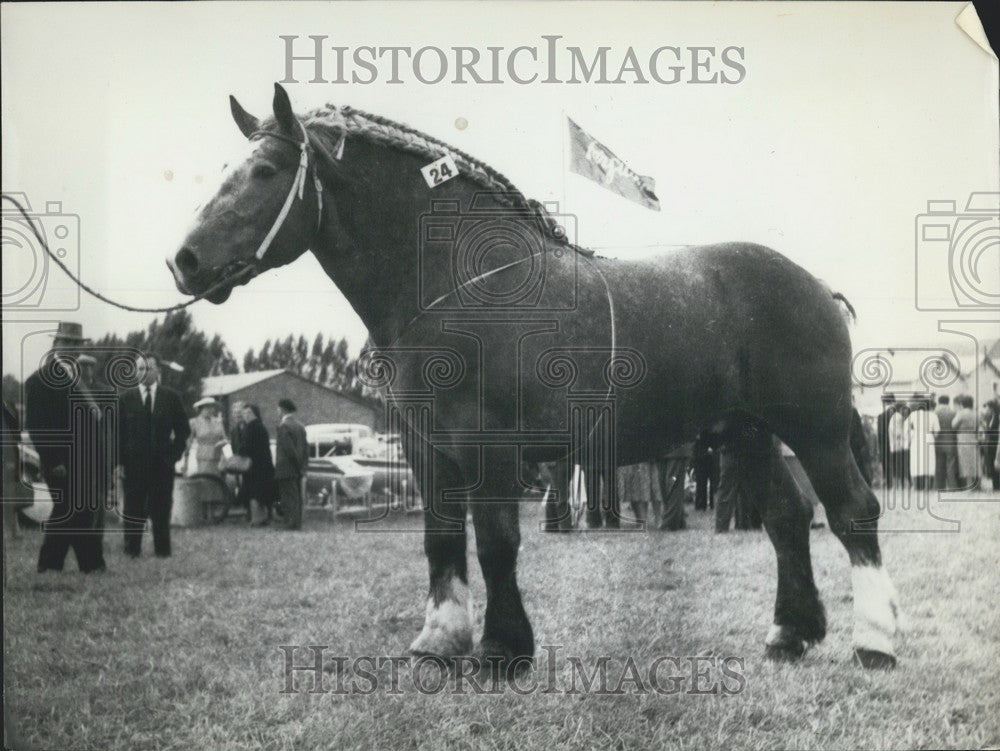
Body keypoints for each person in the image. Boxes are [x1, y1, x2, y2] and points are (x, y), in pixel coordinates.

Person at [23, 322, 107, 573]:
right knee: (69, 510)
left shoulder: (78, 379)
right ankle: (64, 565)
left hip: (84, 460)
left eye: (76, 344)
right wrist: (53, 460)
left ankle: (81, 565)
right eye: (67, 342)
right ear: (55, 344)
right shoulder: (38, 381)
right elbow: (38, 427)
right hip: (60, 462)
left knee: (79, 511)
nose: (72, 348)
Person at [118, 352, 191, 558]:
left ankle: (162, 552)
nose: (144, 372)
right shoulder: (125, 399)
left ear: (158, 370)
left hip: (162, 466)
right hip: (133, 467)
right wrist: (119, 462)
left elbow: (183, 431)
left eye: (148, 368)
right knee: (133, 510)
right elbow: (116, 434)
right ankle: (132, 551)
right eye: (140, 368)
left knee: (161, 510)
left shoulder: (171, 397)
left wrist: (173, 456)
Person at [237, 403, 275, 526]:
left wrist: (239, 451)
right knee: (262, 493)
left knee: (253, 493)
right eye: (244, 413)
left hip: (254, 465)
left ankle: (255, 519)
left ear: (253, 414)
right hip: (265, 464)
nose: (246, 416)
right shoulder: (261, 426)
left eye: (248, 413)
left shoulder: (250, 428)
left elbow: (245, 448)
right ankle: (263, 518)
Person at [274, 398, 308, 530]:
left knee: (288, 496)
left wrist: (296, 462)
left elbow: (288, 449)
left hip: (286, 467)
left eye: (278, 409)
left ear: (282, 410)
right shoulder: (300, 426)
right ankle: (296, 522)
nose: (277, 411)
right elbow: (306, 448)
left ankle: (291, 523)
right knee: (296, 496)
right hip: (298, 467)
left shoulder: (284, 426)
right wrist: (302, 465)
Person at [185, 397, 227, 477]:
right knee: (205, 480)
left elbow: (224, 439)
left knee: (219, 482)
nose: (211, 410)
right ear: (201, 409)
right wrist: (186, 461)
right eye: (207, 407)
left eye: (212, 407)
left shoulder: (218, 422)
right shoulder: (194, 422)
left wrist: (221, 443)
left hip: (219, 457)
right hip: (204, 458)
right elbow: (188, 442)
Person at [904, 399, 939, 491]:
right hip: (928, 438)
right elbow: (937, 431)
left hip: (916, 438)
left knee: (915, 462)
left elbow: (905, 426)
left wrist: (911, 433)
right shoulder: (933, 415)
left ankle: (915, 486)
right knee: (929, 462)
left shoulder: (914, 414)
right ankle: (927, 486)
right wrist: (933, 437)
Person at [952, 395, 979, 489]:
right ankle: (977, 485)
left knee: (965, 462)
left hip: (963, 438)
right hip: (973, 437)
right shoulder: (976, 413)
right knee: (974, 461)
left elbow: (953, 425)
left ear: (962, 404)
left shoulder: (961, 413)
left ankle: (968, 485)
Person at [934, 395, 958, 490]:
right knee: (951, 464)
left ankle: (939, 486)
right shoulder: (953, 412)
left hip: (938, 441)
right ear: (948, 402)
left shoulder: (935, 412)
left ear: (939, 402)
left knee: (939, 464)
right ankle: (952, 486)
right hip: (951, 441)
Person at [981, 399, 1000, 491]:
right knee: (992, 465)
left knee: (995, 464)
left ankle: (997, 485)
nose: (986, 409)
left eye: (988, 407)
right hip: (990, 444)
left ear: (992, 408)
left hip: (995, 444)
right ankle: (995, 485)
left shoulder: (996, 418)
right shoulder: (990, 417)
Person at [876, 400, 896, 489]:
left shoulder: (881, 416)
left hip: (885, 445)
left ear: (884, 403)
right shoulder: (898, 415)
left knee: (886, 464)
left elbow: (879, 434)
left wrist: (879, 448)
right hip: (897, 444)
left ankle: (889, 484)